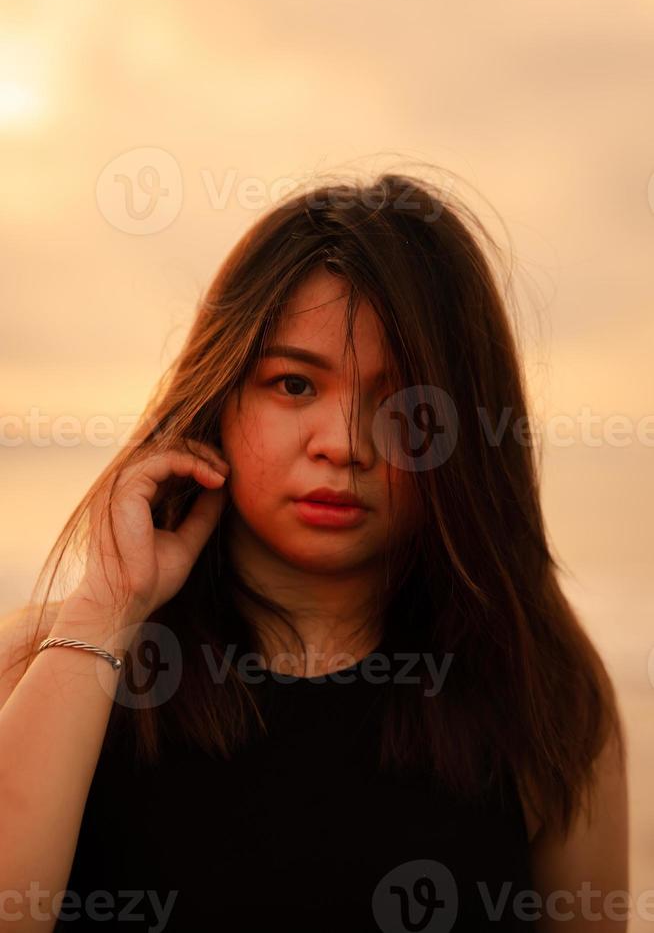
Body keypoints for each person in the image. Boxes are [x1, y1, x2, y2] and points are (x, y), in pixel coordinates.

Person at [0, 172, 628, 931]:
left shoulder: (540, 686)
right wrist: (104, 616)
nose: (345, 445)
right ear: (220, 395)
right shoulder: (50, 655)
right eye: (294, 384)